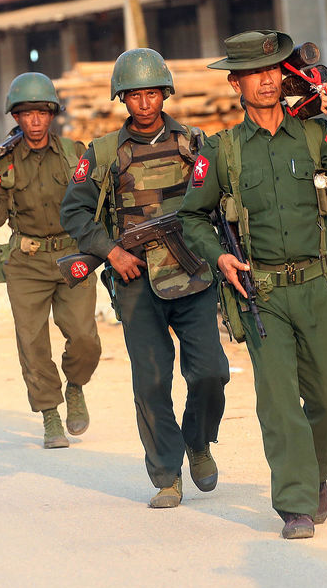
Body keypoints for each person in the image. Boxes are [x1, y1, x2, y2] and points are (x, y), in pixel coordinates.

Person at [180, 30, 327, 539]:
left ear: (286, 78)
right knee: (280, 403)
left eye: (274, 71)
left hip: (316, 286)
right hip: (260, 294)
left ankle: (315, 475)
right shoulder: (221, 152)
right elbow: (192, 218)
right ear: (236, 84)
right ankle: (295, 504)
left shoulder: (314, 136)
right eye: (255, 74)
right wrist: (219, 255)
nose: (267, 81)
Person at [61, 49, 228, 506]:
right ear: (123, 99)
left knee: (212, 372)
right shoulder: (103, 153)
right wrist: (111, 251)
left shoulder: (196, 143)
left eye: (152, 93)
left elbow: (220, 197)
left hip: (193, 274)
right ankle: (167, 476)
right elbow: (73, 210)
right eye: (134, 95)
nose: (145, 103)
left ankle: (198, 442)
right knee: (152, 382)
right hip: (136, 281)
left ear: (164, 94)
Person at [0, 72, 101, 448]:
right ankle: (50, 414)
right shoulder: (4, 163)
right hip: (26, 260)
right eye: (26, 113)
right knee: (32, 342)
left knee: (84, 338)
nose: (35, 120)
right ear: (15, 117)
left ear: (52, 115)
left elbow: (94, 203)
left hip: (72, 254)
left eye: (42, 112)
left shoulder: (74, 153)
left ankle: (76, 386)